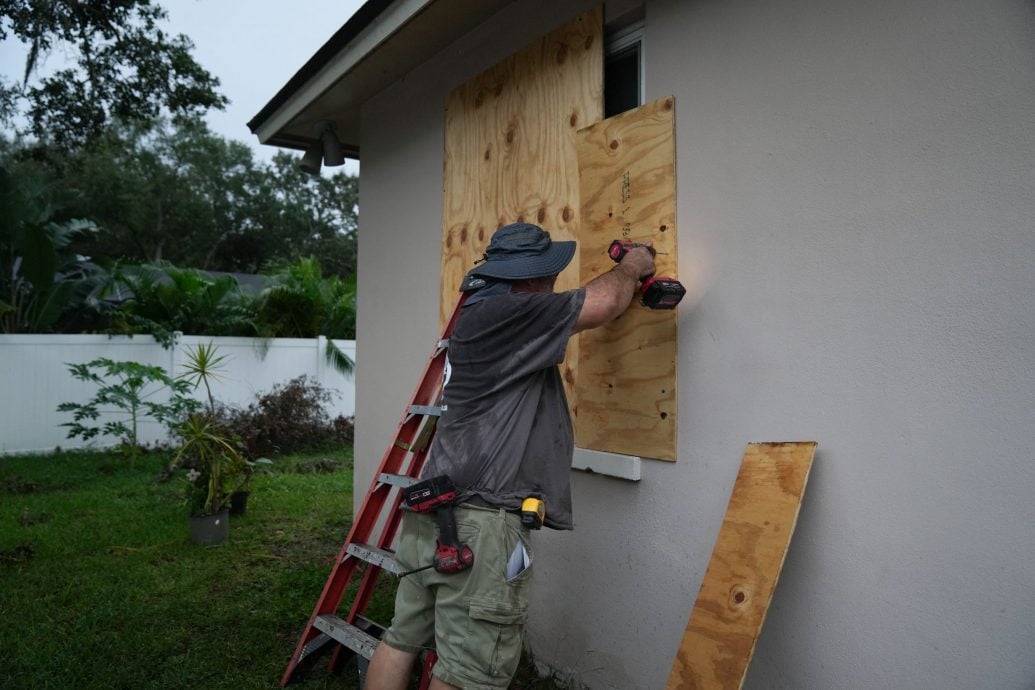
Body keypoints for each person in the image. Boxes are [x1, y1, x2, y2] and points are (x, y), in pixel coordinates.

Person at [366, 222, 655, 690]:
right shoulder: (509, 313)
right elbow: (604, 303)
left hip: (433, 511)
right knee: (467, 670)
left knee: (403, 637)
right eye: (548, 275)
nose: (553, 284)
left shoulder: (477, 315)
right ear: (530, 280)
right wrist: (632, 266)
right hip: (477, 525)